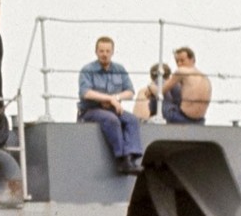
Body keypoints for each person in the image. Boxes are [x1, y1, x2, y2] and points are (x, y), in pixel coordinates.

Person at [79, 35, 145, 174]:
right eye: (101, 51)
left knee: (132, 120)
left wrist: (115, 98)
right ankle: (121, 158)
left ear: (112, 52)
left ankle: (130, 158)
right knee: (112, 120)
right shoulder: (87, 69)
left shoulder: (119, 69)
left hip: (113, 109)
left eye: (108, 51)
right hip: (92, 110)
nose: (104, 54)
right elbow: (86, 93)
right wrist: (109, 99)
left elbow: (130, 91)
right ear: (96, 52)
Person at [156, 46, 213, 124]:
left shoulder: (182, 71)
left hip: (182, 118)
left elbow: (160, 91)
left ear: (192, 60)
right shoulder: (204, 77)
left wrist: (150, 89)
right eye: (177, 61)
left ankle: (149, 118)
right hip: (199, 121)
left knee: (158, 86)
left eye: (182, 60)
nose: (179, 64)